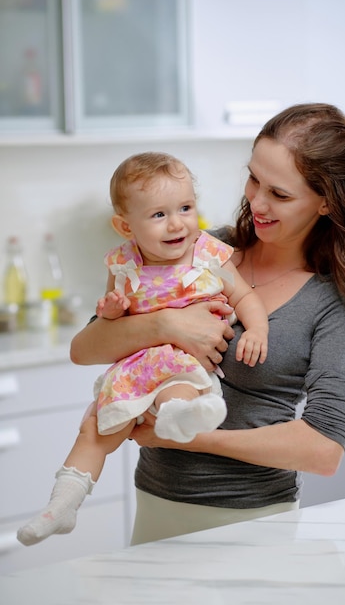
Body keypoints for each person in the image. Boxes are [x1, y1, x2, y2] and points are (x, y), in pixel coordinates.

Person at [69, 102, 345, 545]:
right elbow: (85, 349)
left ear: (325, 202)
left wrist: (189, 438)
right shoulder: (202, 248)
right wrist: (168, 324)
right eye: (253, 178)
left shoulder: (335, 302)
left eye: (279, 194)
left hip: (256, 520)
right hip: (157, 501)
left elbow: (323, 450)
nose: (256, 201)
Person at [16, 152, 269, 547]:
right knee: (94, 429)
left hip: (183, 364)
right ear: (124, 225)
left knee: (177, 393)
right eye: (158, 215)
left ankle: (183, 416)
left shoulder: (207, 255)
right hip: (134, 370)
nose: (176, 223)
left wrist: (257, 329)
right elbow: (106, 327)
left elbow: (244, 298)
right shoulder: (123, 266)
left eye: (185, 208)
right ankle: (62, 505)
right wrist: (112, 311)